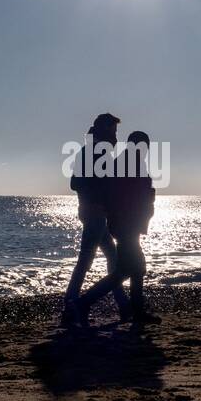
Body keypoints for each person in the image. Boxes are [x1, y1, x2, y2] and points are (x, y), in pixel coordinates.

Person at [77, 130, 160, 326]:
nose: (146, 150)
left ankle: (136, 311)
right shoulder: (127, 163)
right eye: (144, 146)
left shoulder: (130, 162)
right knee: (127, 270)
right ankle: (85, 302)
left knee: (133, 269)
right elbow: (125, 197)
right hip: (126, 226)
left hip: (128, 225)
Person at [62, 113, 130, 326]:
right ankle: (71, 306)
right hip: (94, 213)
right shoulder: (94, 152)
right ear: (106, 130)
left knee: (110, 258)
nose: (116, 136)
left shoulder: (92, 151)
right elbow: (77, 183)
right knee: (87, 259)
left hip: (94, 212)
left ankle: (123, 305)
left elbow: (78, 183)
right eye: (114, 131)